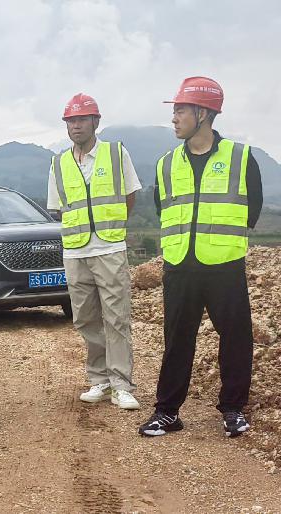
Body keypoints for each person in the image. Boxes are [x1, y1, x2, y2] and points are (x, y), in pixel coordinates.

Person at [139, 77, 263, 438]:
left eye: (181, 110)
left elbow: (252, 209)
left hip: (225, 266)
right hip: (179, 266)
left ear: (203, 113)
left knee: (236, 338)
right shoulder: (166, 164)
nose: (174, 117)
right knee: (177, 339)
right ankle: (167, 412)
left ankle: (233, 409)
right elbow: (163, 208)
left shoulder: (240, 158)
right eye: (175, 110)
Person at [47, 93, 142, 410]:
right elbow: (59, 208)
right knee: (85, 318)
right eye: (71, 121)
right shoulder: (58, 163)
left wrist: (111, 227)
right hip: (75, 252)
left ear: (95, 122)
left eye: (82, 119)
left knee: (116, 318)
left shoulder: (116, 154)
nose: (76, 125)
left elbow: (129, 196)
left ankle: (121, 384)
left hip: (109, 247)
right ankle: (99, 378)